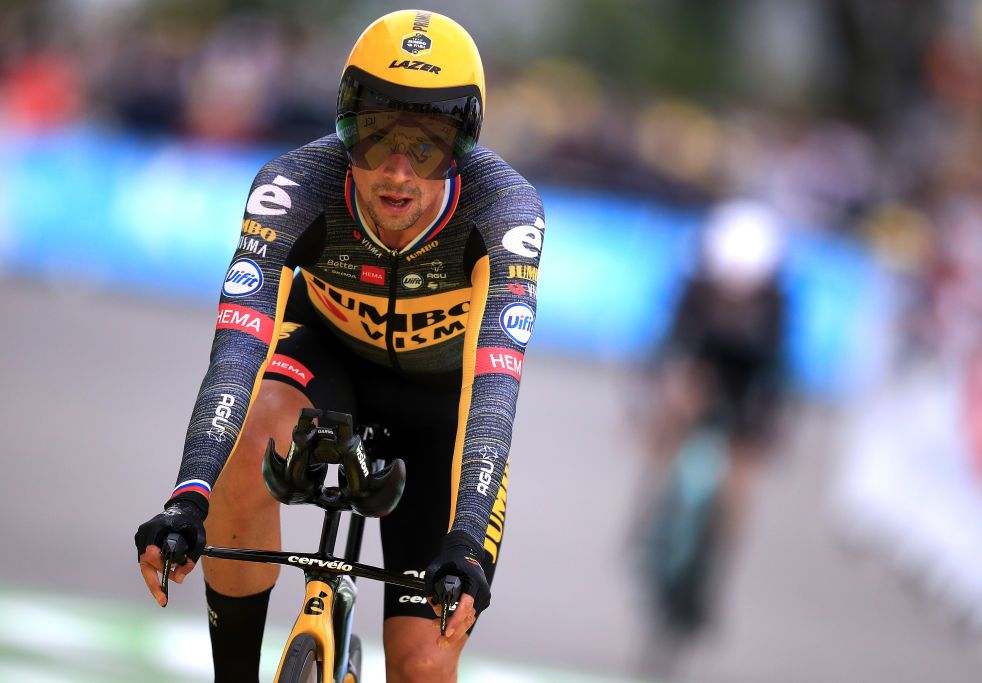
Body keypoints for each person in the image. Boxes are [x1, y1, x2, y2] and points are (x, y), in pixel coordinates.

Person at [133, 10, 545, 682]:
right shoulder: (295, 184)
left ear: (465, 145)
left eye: (429, 146)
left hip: (441, 411)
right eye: (375, 135)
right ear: (344, 124)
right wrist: (189, 496)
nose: (398, 173)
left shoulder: (505, 211)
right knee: (257, 416)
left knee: (421, 663)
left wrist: (466, 539)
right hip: (324, 363)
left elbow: (495, 390)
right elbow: (236, 349)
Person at [635, 198, 787, 678]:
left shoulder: (777, 302)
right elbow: (663, 349)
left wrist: (764, 430)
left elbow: (779, 375)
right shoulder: (693, 285)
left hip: (743, 394)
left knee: (739, 479)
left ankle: (717, 558)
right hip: (697, 382)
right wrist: (660, 400)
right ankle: (649, 516)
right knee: (669, 423)